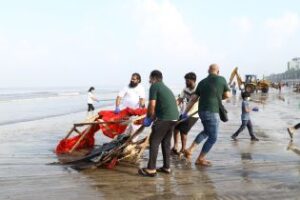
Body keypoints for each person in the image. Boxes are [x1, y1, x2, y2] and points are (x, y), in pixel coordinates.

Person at [182, 64, 231, 166]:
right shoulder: (221, 79)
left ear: (208, 71)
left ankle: (190, 150)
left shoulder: (201, 82)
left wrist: (185, 113)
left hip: (202, 112)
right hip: (212, 111)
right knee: (213, 137)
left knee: (206, 131)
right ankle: (200, 158)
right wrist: (216, 98)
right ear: (218, 71)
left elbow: (192, 100)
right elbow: (227, 95)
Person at [138, 70, 179, 177]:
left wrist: (148, 117)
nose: (149, 81)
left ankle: (151, 169)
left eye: (150, 79)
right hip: (174, 118)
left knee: (154, 142)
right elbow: (161, 107)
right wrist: (152, 118)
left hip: (165, 118)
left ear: (154, 78)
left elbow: (152, 104)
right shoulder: (165, 88)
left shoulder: (154, 86)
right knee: (166, 142)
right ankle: (166, 167)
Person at [171, 72, 199, 155]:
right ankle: (175, 146)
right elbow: (180, 99)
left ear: (193, 81)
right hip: (183, 113)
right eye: (185, 80)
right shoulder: (185, 89)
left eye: (187, 81)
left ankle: (183, 149)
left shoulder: (198, 89)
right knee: (175, 127)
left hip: (193, 114)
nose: (186, 82)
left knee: (183, 131)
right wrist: (172, 107)